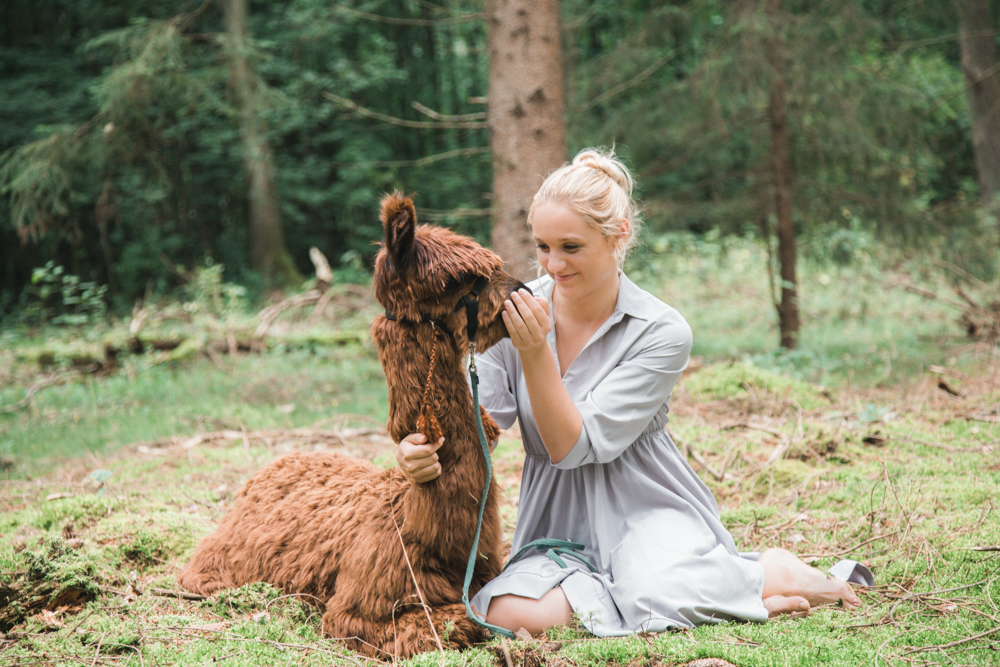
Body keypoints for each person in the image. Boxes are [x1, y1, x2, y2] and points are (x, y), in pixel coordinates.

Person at [395, 148, 860, 637]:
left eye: (571, 248)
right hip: (558, 517)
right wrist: (420, 452)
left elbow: (571, 448)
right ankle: (691, 595)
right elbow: (479, 425)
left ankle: (771, 573)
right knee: (506, 613)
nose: (553, 265)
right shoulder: (514, 311)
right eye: (542, 246)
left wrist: (535, 353)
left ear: (618, 235)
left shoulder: (660, 331)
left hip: (647, 507)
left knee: (652, 591)